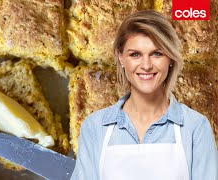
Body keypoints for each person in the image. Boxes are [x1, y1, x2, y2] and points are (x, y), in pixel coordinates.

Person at [70, 10, 218, 180]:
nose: (146, 65)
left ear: (170, 58)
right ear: (121, 58)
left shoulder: (196, 128)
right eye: (135, 54)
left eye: (157, 53)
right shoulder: (94, 127)